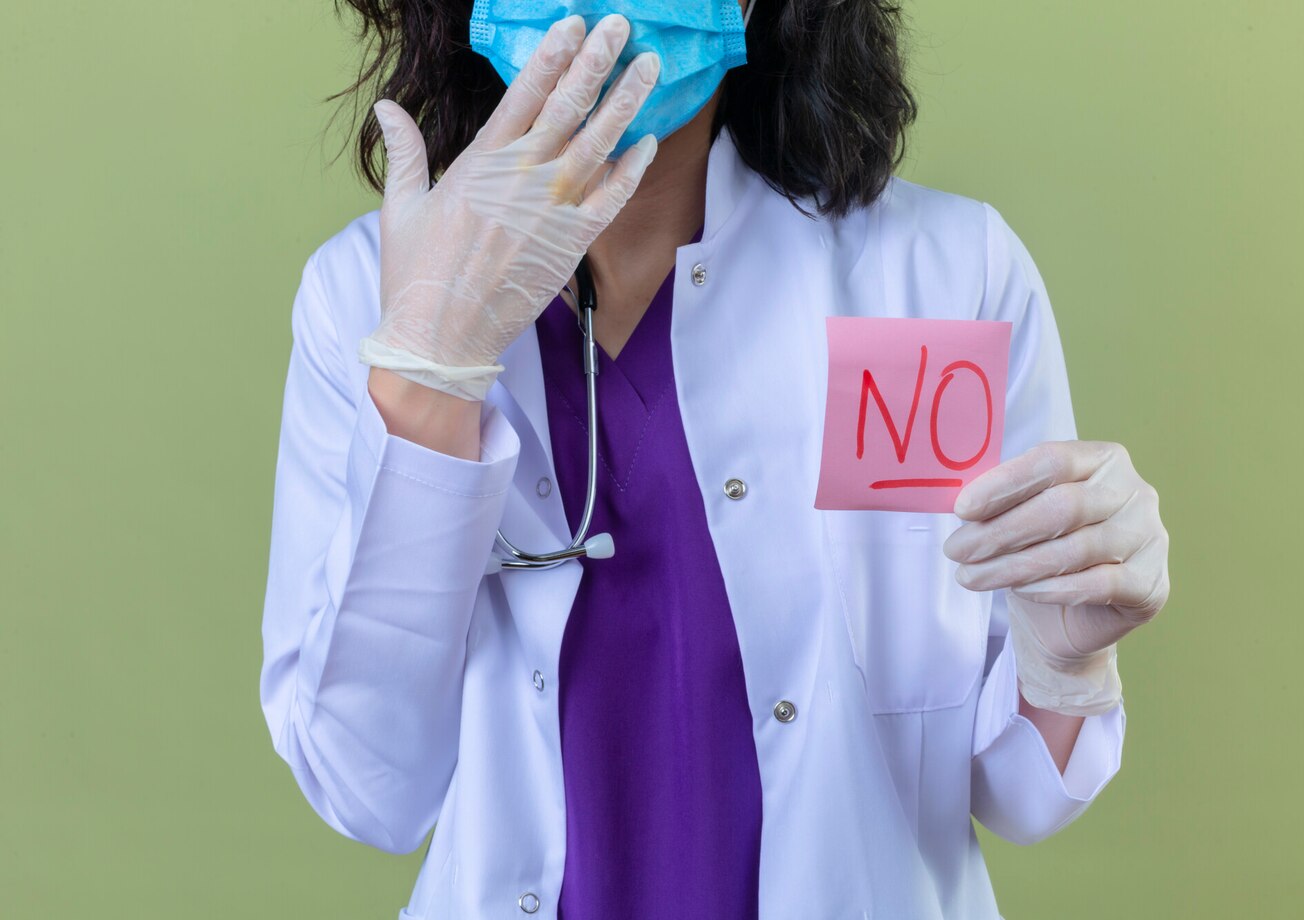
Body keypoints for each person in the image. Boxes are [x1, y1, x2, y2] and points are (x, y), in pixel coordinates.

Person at [259, 2, 1171, 917]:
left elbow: (1020, 794)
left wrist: (1062, 659)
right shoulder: (366, 299)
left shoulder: (935, 279)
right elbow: (366, 788)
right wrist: (429, 368)